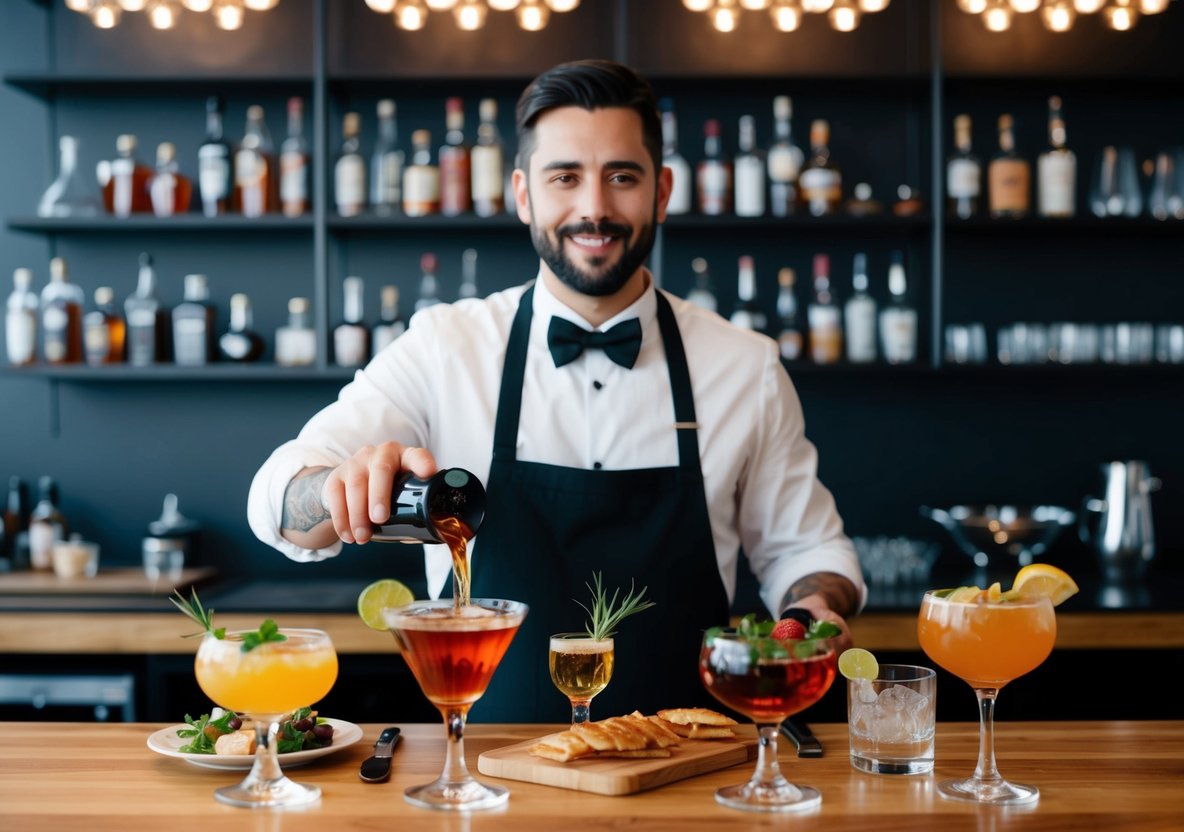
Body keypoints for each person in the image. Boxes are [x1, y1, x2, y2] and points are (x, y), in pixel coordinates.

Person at [248, 60, 865, 722]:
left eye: (621, 177)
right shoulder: (442, 347)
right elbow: (275, 503)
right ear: (522, 195)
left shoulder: (745, 367)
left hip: (694, 765)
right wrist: (334, 488)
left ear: (661, 192)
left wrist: (813, 608)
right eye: (564, 177)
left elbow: (808, 549)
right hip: (484, 777)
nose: (593, 208)